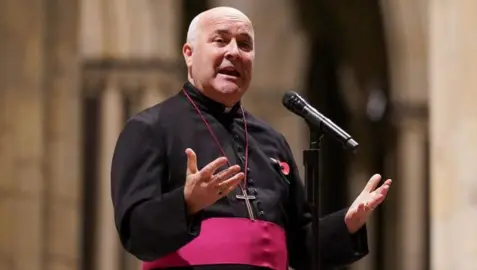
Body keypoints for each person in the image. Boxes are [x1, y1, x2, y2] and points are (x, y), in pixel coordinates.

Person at [110, 6, 392, 270]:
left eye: (245, 44)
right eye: (220, 41)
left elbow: (300, 246)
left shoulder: (271, 140)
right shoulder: (150, 129)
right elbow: (136, 233)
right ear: (189, 53)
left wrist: (347, 224)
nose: (234, 52)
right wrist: (186, 203)